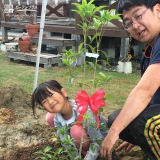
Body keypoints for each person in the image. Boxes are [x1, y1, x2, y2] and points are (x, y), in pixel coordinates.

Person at [100, 0, 160, 160]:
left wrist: (114, 133)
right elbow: (151, 101)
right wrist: (136, 136)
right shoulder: (148, 54)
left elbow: (144, 92)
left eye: (138, 16)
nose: (135, 25)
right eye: (128, 23)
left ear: (158, 10)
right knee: (116, 120)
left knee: (144, 122)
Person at [32, 80, 108, 160]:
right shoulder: (57, 120)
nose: (50, 102)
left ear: (64, 92)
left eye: (51, 95)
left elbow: (97, 140)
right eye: (44, 102)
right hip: (83, 143)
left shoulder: (85, 112)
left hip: (101, 143)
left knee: (76, 131)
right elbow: (67, 144)